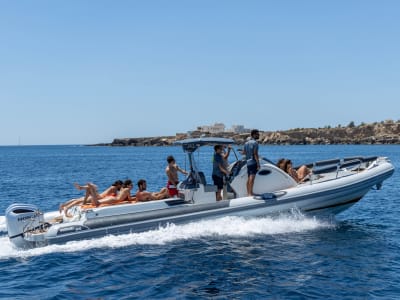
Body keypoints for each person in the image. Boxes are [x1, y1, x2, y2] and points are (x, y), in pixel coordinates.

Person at [244, 129, 260, 196]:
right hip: (253, 162)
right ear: (253, 135)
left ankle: (248, 193)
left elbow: (244, 152)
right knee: (252, 178)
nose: (258, 135)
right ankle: (251, 193)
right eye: (257, 134)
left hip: (248, 162)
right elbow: (255, 153)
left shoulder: (246, 143)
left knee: (249, 178)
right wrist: (258, 163)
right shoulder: (255, 143)